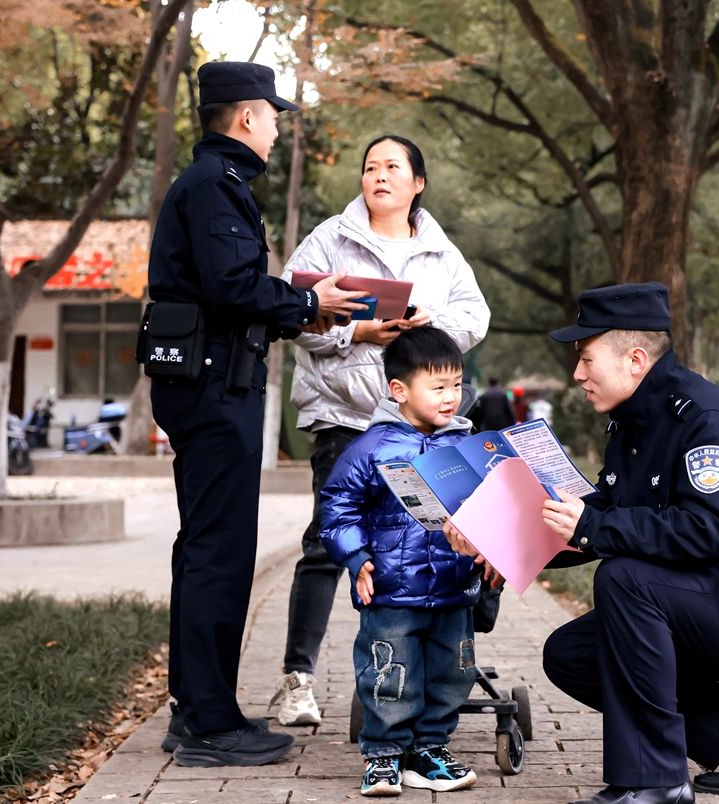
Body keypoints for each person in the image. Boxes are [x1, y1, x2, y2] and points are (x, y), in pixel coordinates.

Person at [446, 282, 719, 804]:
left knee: (625, 580)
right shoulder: (634, 422)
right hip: (716, 596)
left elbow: (708, 532)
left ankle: (655, 780)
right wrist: (504, 544)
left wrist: (591, 525)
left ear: (635, 359)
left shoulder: (705, 421)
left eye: (585, 359)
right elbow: (604, 516)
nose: (577, 375)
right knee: (573, 654)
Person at [147, 61, 367, 767]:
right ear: (246, 118)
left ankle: (197, 710)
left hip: (212, 386)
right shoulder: (216, 187)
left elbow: (230, 288)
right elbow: (235, 287)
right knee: (219, 553)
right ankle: (210, 723)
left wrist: (301, 306)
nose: (275, 129)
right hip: (215, 391)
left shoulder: (217, 185)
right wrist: (309, 304)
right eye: (272, 116)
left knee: (206, 549)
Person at [270, 134, 490, 726]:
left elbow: (476, 316)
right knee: (325, 543)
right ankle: (297, 679)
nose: (379, 176)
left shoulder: (441, 252)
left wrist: (425, 327)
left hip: (422, 432)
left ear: (417, 182)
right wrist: (357, 334)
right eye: (370, 167)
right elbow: (293, 317)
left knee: (435, 534)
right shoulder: (329, 239)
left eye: (393, 167)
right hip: (346, 419)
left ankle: (417, 668)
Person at [320, 326, 489, 796]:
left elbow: (489, 508)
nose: (451, 397)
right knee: (390, 671)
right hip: (392, 589)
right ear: (399, 390)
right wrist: (355, 557)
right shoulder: (372, 449)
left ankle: (430, 750)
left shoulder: (467, 448)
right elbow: (337, 507)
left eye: (456, 384)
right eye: (437, 387)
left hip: (455, 589)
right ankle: (384, 755)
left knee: (453, 673)